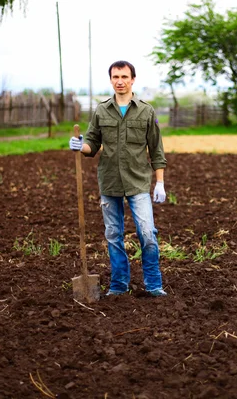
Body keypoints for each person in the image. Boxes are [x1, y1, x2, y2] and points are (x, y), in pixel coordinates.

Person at [69, 60, 168, 297]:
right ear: (111, 80)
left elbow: (156, 150)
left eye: (124, 77)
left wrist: (160, 182)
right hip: (110, 181)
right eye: (115, 77)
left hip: (138, 182)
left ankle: (154, 285)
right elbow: (92, 144)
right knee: (113, 235)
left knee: (147, 233)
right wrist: (79, 145)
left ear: (133, 79)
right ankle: (119, 285)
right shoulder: (102, 110)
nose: (120, 81)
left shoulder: (146, 111)